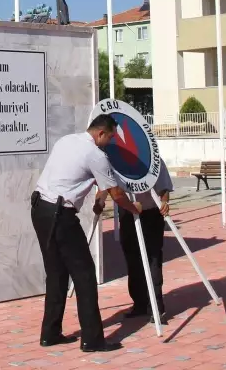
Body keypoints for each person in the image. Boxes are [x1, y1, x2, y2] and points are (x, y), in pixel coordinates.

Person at [32, 114, 141, 353]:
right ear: (101, 133)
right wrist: (135, 209)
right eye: (110, 137)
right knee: (85, 276)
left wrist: (100, 200)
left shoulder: (67, 141)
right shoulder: (96, 155)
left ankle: (50, 334)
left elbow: (93, 182)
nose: (110, 142)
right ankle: (92, 340)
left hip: (40, 209)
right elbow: (116, 193)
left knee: (57, 273)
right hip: (61, 215)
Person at [114, 159, 173, 321]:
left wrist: (165, 202)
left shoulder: (154, 160)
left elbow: (164, 188)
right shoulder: (117, 161)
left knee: (153, 258)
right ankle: (139, 303)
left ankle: (156, 307)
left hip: (151, 213)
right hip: (128, 213)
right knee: (133, 258)